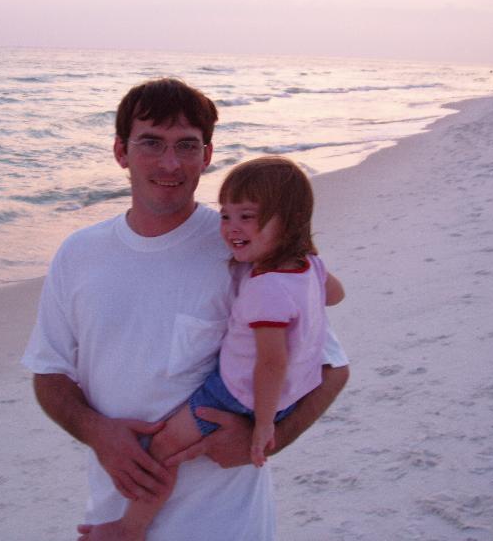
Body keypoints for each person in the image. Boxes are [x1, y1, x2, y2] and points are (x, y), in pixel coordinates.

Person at [22, 78, 350, 540]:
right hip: (114, 521)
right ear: (121, 151)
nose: (170, 163)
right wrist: (96, 431)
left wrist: (263, 441)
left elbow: (332, 369)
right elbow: (49, 373)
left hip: (227, 524)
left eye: (187, 145)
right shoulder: (79, 253)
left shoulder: (244, 251)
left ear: (207, 155)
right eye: (151, 143)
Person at [81, 156, 345, 539]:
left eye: (247, 217)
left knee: (163, 447)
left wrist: (263, 426)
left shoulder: (265, 289)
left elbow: (271, 363)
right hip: (291, 393)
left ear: (288, 222)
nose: (231, 228)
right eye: (225, 215)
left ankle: (130, 527)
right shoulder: (310, 267)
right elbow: (335, 295)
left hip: (237, 394)